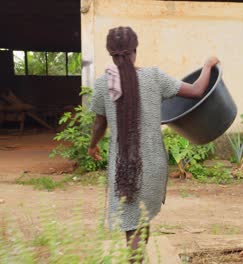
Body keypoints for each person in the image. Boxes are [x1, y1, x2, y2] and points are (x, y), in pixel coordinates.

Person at [87, 26, 219, 262]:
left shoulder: (102, 85)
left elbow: (100, 122)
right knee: (142, 216)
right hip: (153, 164)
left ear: (110, 53)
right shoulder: (154, 77)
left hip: (122, 167)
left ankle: (135, 260)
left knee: (132, 221)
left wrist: (92, 145)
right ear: (135, 50)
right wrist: (208, 65)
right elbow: (198, 90)